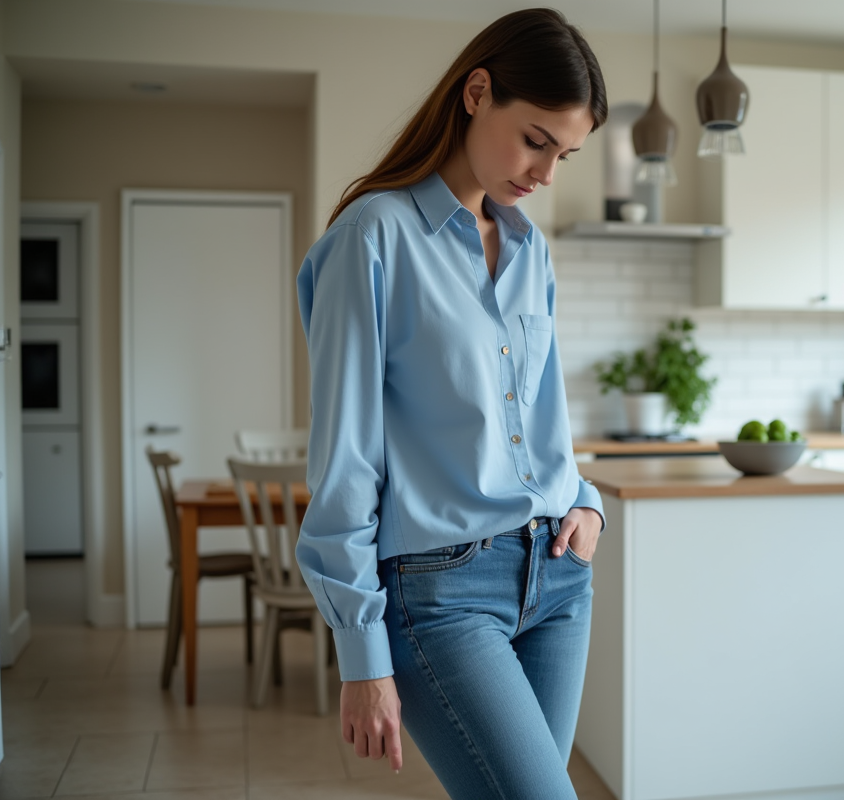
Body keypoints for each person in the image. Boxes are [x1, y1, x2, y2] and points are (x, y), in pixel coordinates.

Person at [294, 8, 607, 799]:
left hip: (560, 578)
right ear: (476, 92)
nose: (545, 173)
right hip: (442, 593)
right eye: (536, 139)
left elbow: (545, 419)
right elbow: (344, 462)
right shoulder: (372, 238)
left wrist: (588, 503)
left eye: (564, 153)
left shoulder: (531, 250)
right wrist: (363, 657)